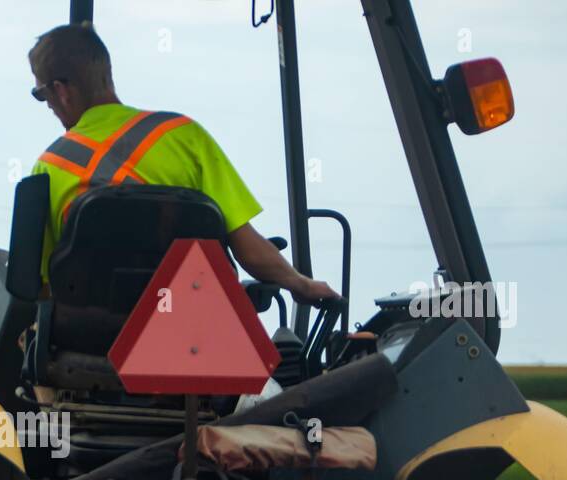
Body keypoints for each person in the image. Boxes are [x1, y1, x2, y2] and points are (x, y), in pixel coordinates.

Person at [29, 23, 338, 303]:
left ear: (61, 91)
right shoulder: (184, 136)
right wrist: (299, 283)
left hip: (89, 348)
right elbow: (247, 247)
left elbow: (37, 288)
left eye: (41, 95)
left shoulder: (47, 169)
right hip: (196, 339)